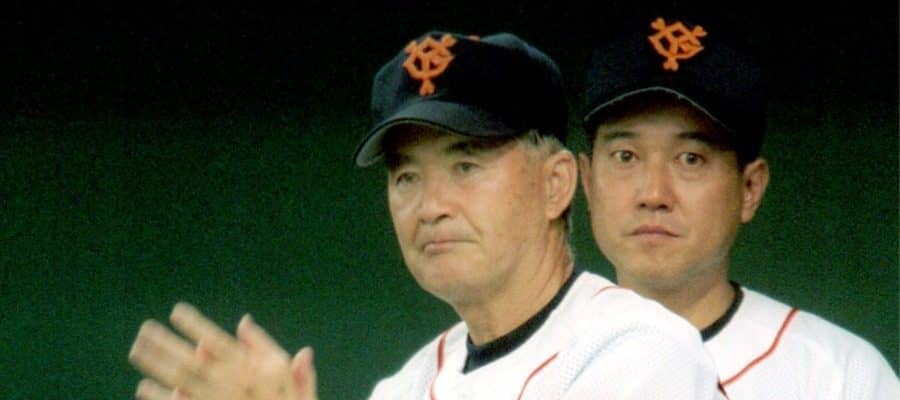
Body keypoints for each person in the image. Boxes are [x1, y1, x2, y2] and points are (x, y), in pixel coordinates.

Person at [128, 30, 727, 399]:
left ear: (556, 184)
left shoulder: (639, 353)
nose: (431, 206)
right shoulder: (405, 388)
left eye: (466, 164)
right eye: (406, 176)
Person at [577, 15, 900, 399]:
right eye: (626, 156)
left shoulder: (838, 376)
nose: (654, 194)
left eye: (691, 158)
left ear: (750, 188)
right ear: (588, 182)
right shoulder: (533, 366)